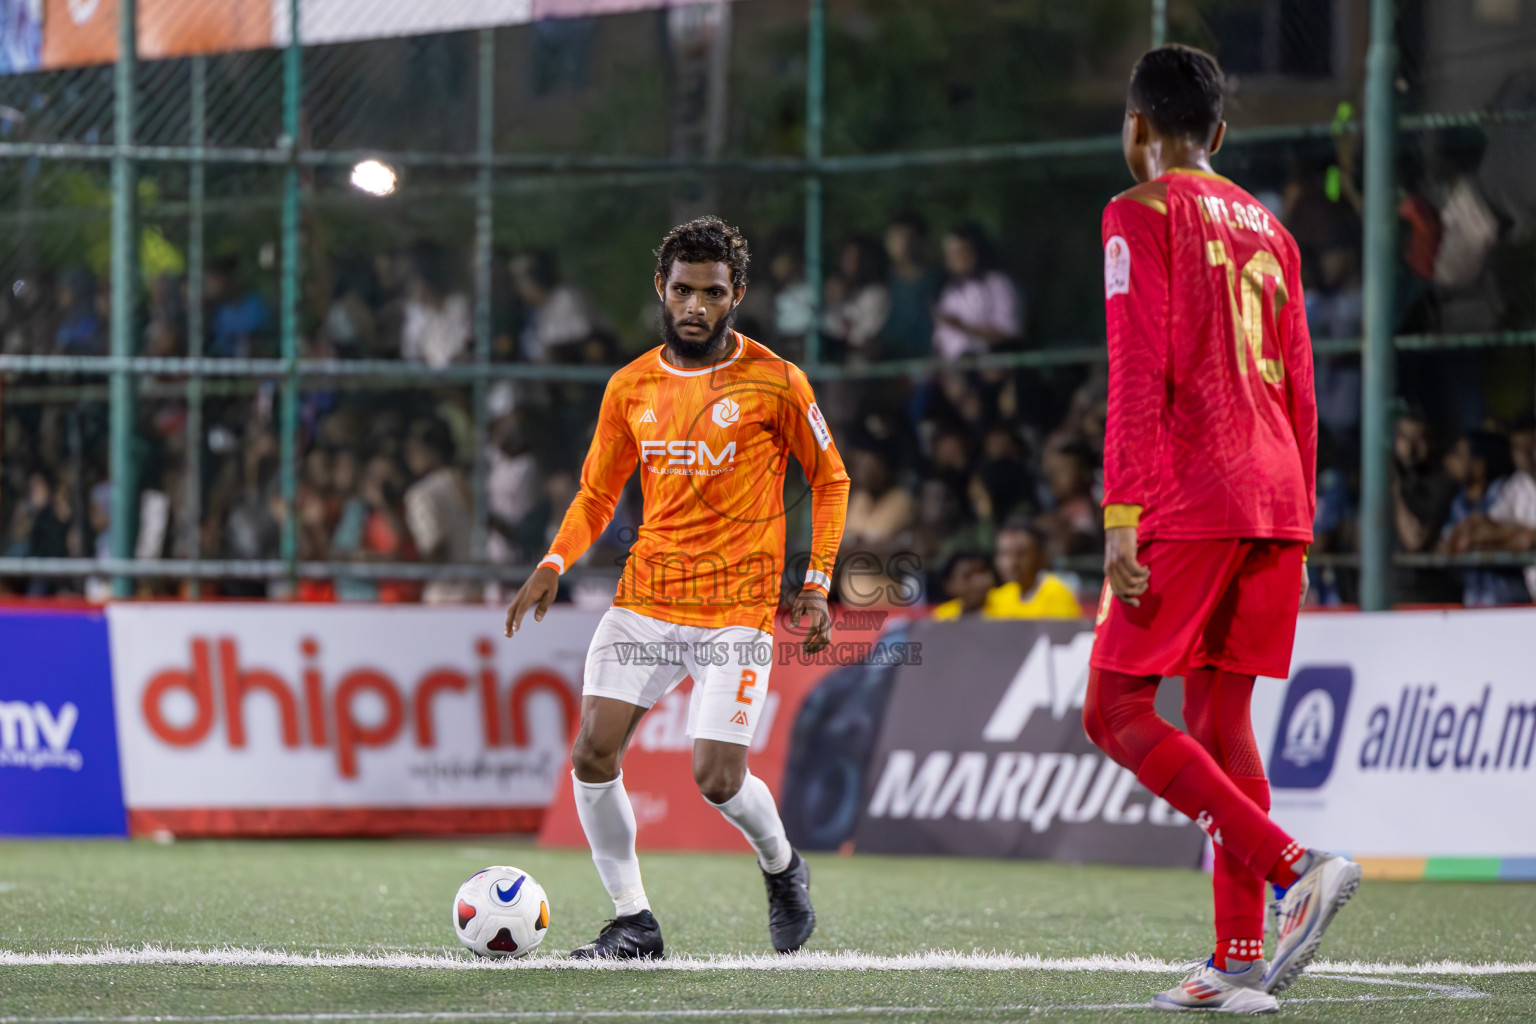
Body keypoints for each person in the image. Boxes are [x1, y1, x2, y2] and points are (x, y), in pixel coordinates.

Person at [1083, 45, 1356, 1013]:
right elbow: (1306, 385)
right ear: (1222, 135)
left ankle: (1296, 867)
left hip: (1192, 491)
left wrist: (1122, 513)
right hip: (1277, 494)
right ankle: (1238, 956)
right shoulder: (1271, 230)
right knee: (1219, 719)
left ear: (1138, 131)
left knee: (1112, 711)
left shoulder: (1136, 213)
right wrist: (1305, 523)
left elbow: (1138, 369)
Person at [504, 217, 849, 960]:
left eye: (713, 293)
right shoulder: (630, 385)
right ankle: (635, 921)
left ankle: (783, 867)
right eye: (684, 290)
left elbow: (830, 479)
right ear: (661, 290)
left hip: (737, 609)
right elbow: (598, 495)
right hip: (646, 601)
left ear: (737, 296)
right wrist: (554, 562)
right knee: (593, 755)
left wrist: (817, 581)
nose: (697, 305)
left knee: (717, 778)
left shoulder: (778, 381)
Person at [403, 418, 477, 604]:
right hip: (478, 589)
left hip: (445, 594)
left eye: (415, 450)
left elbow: (435, 550)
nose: (410, 457)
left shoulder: (421, 493)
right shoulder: (468, 483)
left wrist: (402, 561)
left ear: (434, 452)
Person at [932, 223, 1019, 359]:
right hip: (954, 370)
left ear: (974, 250)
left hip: (991, 366)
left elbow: (1009, 333)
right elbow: (941, 341)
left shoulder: (997, 283)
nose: (950, 259)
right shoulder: (950, 291)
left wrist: (963, 327)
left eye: (957, 252)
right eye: (948, 253)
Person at [929, 550, 994, 619]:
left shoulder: (1005, 606)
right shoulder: (943, 615)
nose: (978, 581)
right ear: (949, 584)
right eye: (968, 576)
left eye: (982, 572)